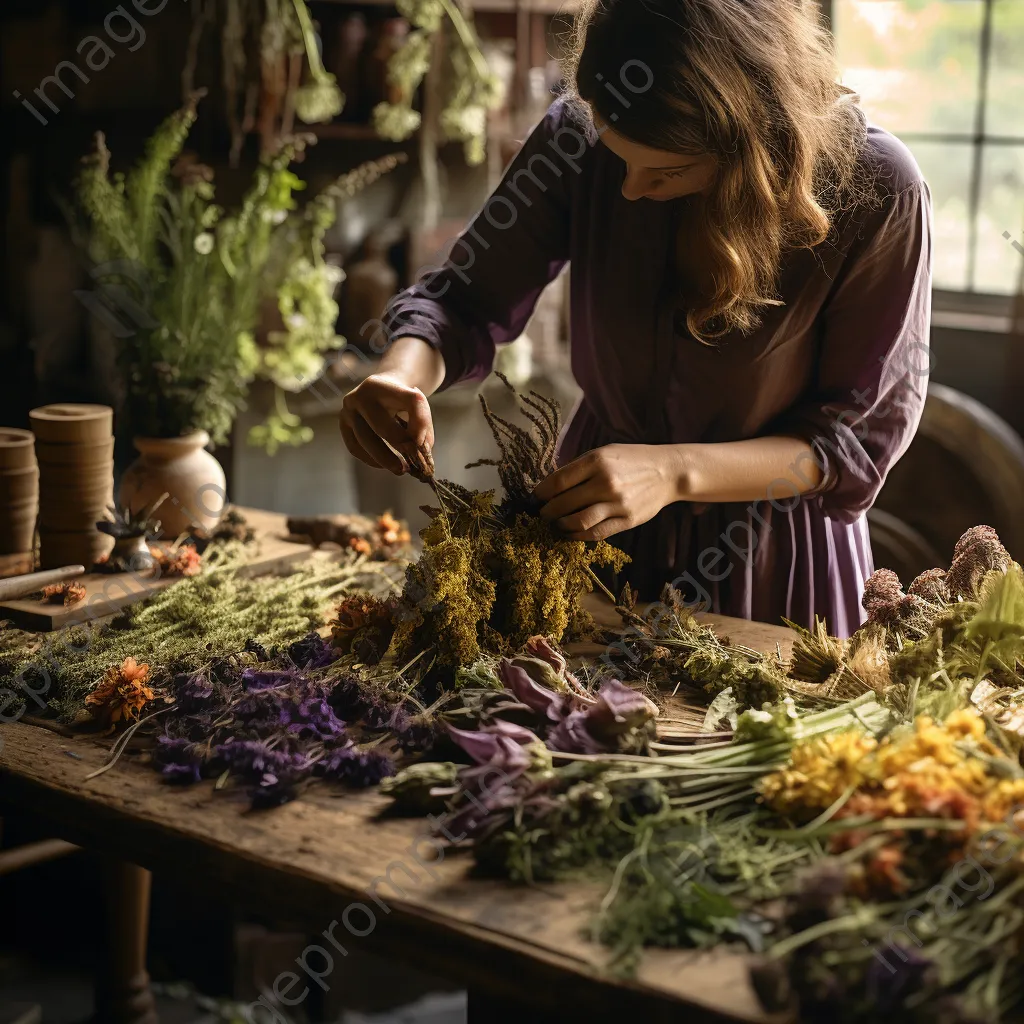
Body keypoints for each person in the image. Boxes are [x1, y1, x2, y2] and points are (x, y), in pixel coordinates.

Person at [339, 0, 933, 637]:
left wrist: (674, 471)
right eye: (617, 157)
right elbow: (463, 299)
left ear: (749, 143)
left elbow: (849, 441)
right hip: (595, 529)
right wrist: (402, 373)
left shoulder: (876, 188)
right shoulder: (579, 133)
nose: (627, 190)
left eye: (667, 170)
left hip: (768, 553)